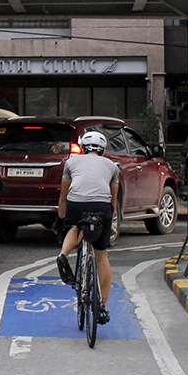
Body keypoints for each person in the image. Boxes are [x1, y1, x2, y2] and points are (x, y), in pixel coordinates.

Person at [55, 129, 119, 324]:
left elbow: (64, 195)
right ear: (102, 149)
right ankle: (102, 307)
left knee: (76, 226)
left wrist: (61, 216)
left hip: (77, 203)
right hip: (101, 207)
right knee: (102, 255)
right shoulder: (112, 166)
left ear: (83, 147)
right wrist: (110, 219)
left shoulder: (71, 162)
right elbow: (113, 201)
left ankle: (63, 255)